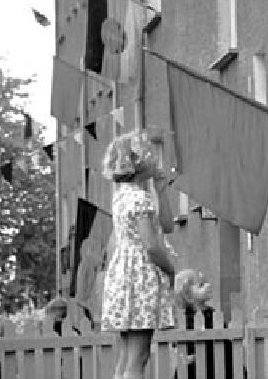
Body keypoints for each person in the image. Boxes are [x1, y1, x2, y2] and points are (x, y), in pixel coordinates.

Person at [99, 130, 176, 379]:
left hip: (124, 274)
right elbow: (152, 246)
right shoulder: (139, 199)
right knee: (138, 358)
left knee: (126, 357)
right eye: (151, 155)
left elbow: (168, 225)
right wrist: (171, 269)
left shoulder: (122, 195)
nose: (155, 159)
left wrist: (161, 189)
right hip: (140, 276)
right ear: (138, 161)